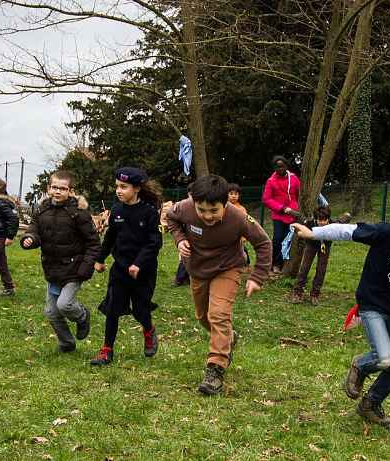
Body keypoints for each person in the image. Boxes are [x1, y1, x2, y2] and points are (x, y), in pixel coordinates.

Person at [292, 183, 390, 427]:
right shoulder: (387, 232)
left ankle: (370, 404)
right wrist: (314, 234)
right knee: (384, 358)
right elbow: (348, 231)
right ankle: (360, 366)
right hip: (373, 303)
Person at [166, 174, 272, 395]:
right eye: (201, 210)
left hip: (228, 268)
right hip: (197, 269)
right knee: (203, 317)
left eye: (214, 211)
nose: (207, 216)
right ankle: (229, 337)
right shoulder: (184, 208)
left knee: (218, 315)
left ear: (225, 204)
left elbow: (263, 243)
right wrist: (180, 239)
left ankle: (215, 369)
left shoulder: (239, 217)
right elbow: (171, 218)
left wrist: (257, 276)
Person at [20, 171, 100, 354]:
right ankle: (67, 343)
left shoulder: (78, 213)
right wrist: (30, 238)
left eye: (62, 188)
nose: (57, 191)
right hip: (52, 267)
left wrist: (86, 267)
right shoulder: (42, 209)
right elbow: (34, 229)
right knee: (51, 312)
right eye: (54, 187)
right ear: (48, 189)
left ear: (71, 191)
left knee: (64, 305)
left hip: (74, 268)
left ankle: (82, 316)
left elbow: (93, 243)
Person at [90, 167, 163, 366]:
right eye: (117, 187)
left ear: (137, 188)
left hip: (144, 271)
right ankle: (106, 350)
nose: (118, 191)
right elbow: (110, 238)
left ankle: (148, 330)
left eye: (124, 187)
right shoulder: (117, 210)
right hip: (120, 270)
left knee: (140, 309)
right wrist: (100, 258)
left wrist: (138, 264)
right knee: (112, 309)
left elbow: (154, 243)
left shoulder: (148, 212)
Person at [262, 155, 300, 273]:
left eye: (282, 166)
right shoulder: (271, 181)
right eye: (277, 167)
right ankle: (275, 264)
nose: (280, 169)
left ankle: (285, 264)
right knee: (278, 239)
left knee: (288, 240)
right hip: (279, 214)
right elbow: (266, 199)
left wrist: (295, 208)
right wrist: (282, 208)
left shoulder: (294, 179)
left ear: (286, 166)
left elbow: (299, 193)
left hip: (292, 215)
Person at [291, 205, 333, 306]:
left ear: (328, 219)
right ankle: (297, 293)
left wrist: (347, 216)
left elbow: (342, 222)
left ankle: (315, 294)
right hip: (311, 245)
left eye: (325, 220)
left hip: (325, 246)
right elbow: (299, 227)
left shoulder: (333, 223)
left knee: (321, 269)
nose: (322, 223)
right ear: (315, 219)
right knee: (305, 267)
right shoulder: (309, 223)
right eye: (320, 220)